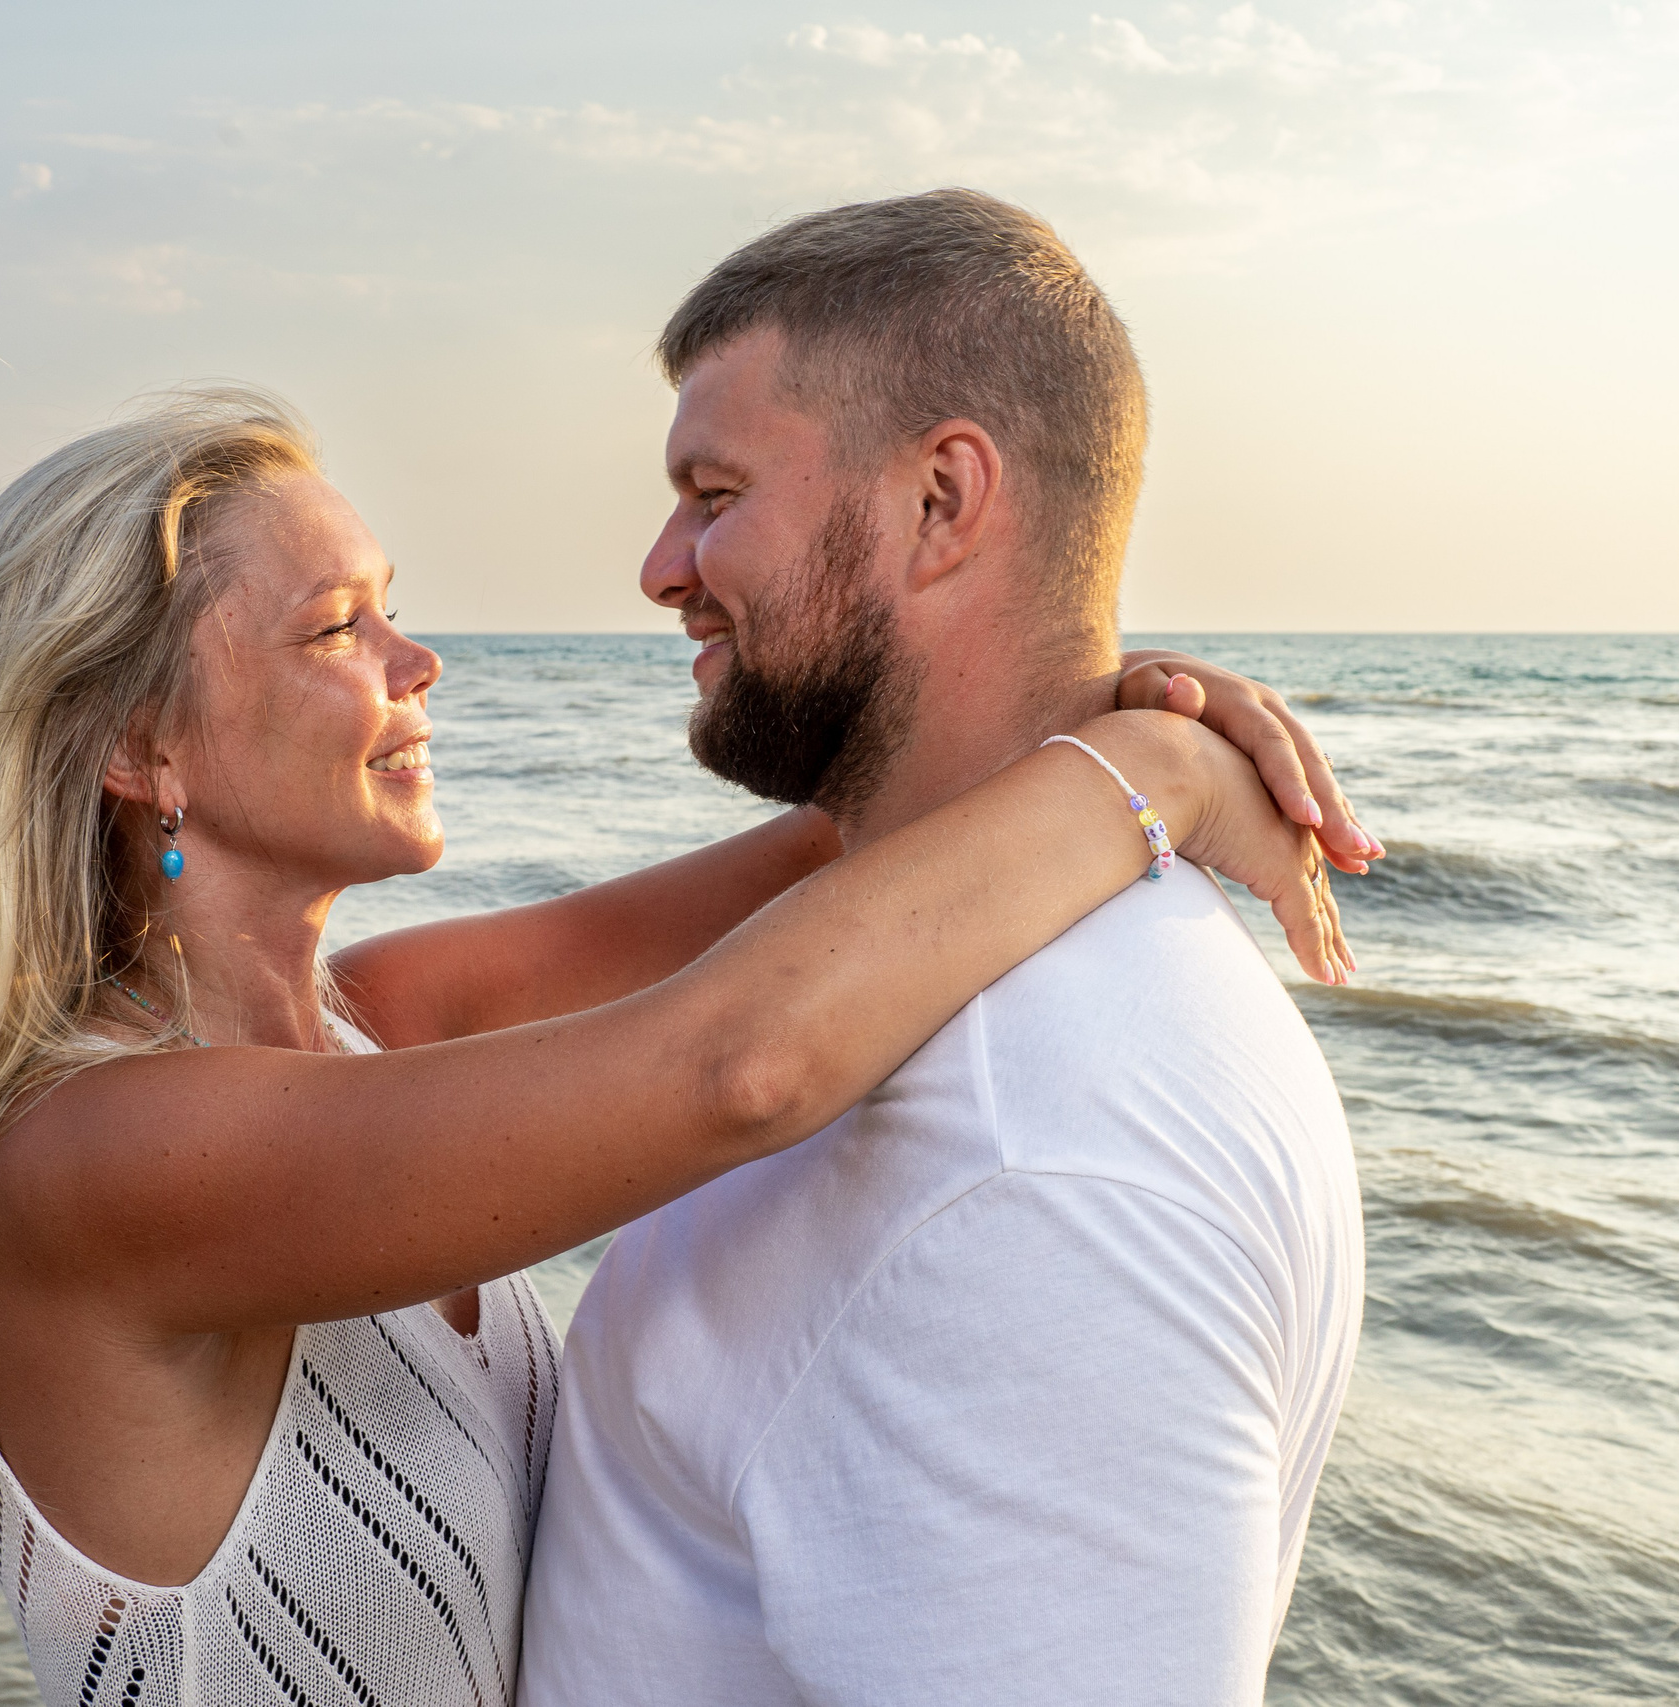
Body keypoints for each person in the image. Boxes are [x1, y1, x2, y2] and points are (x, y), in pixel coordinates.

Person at [0, 386, 1357, 1707]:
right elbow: (738, 1067)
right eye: (339, 632)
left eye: (394, 606)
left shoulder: (376, 1025)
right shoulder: (100, 1165)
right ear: (144, 745)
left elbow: (856, 847)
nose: (421, 662)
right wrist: (1165, 783)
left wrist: (1091, 698)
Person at [519, 190, 1369, 1706]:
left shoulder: (1036, 1161)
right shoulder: (899, 970)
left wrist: (1125, 761)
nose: (661, 565)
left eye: (714, 493)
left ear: (941, 502)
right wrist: (1127, 760)